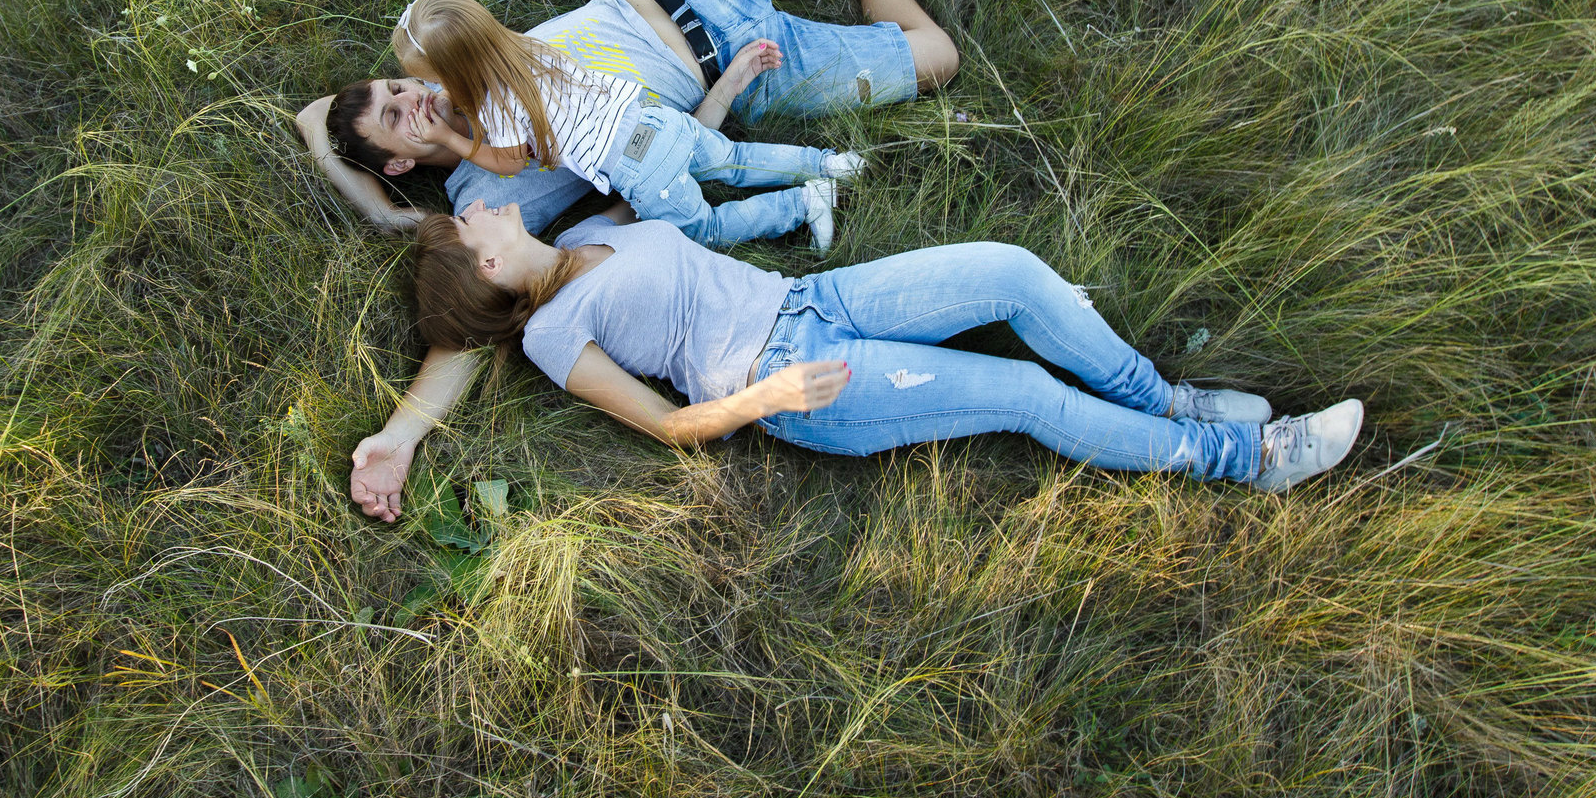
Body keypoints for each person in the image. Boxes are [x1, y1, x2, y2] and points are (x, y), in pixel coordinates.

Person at [299, 0, 957, 507]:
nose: (415, 98)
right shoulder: (485, 198)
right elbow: (466, 325)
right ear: (399, 163)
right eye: (397, 116)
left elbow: (317, 110)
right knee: (938, 58)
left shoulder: (474, 55)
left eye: (400, 86)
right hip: (748, 79)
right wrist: (400, 435)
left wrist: (334, 133)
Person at [345, 199, 1366, 516]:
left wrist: (734, 84)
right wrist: (769, 396)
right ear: (483, 257)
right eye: (469, 213)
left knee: (1012, 271)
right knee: (1019, 391)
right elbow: (665, 426)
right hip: (792, 383)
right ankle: (1250, 461)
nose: (481, 195)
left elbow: (676, 205)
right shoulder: (552, 334)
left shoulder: (583, 238)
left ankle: (1171, 404)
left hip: (814, 299)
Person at [384, 0, 864, 251]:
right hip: (652, 118)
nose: (432, 91)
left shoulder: (499, 108)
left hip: (637, 165)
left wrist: (449, 135)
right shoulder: (526, 48)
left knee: (707, 229)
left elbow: (508, 164)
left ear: (456, 73)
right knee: (733, 159)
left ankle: (803, 204)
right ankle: (826, 163)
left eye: (433, 80)